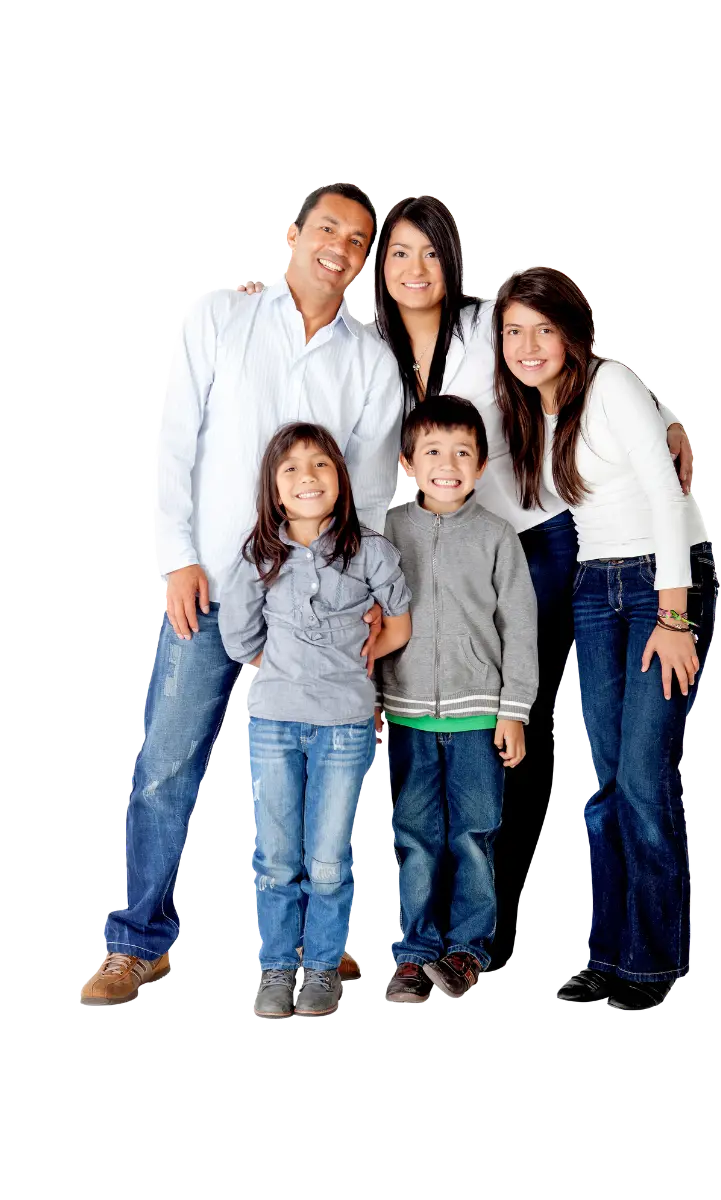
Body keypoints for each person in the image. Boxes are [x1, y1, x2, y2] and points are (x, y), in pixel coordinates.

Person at [237, 197, 695, 969]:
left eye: (431, 253)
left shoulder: (491, 327)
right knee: (428, 744)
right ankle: (429, 935)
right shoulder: (365, 344)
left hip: (534, 543)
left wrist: (671, 422)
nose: (415, 270)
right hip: (417, 547)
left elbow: (578, 363)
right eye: (398, 254)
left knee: (524, 729)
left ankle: (500, 932)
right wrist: (263, 297)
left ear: (453, 263)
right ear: (379, 270)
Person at [81, 183, 404, 1008]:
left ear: (364, 261)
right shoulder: (219, 316)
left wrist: (367, 596)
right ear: (293, 233)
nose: (340, 246)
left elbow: (368, 491)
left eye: (358, 239)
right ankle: (139, 944)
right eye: (327, 227)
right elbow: (173, 435)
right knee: (166, 769)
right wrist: (176, 556)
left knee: (323, 773)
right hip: (214, 590)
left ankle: (321, 948)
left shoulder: (368, 358)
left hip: (320, 614)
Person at [492, 266, 715, 1010]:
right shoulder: (535, 410)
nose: (527, 345)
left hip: (661, 583)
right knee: (610, 781)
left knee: (645, 783)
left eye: (542, 329)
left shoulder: (610, 382)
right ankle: (609, 956)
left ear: (572, 331)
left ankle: (649, 966)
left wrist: (675, 617)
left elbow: (662, 492)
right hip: (595, 589)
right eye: (512, 331)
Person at [219, 422, 411, 1017]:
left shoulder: (370, 551)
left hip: (345, 727)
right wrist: (272, 661)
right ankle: (276, 967)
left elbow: (399, 622)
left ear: (341, 478)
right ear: (275, 490)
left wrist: (350, 659)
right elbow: (237, 634)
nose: (307, 477)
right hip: (275, 722)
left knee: (328, 859)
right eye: (291, 469)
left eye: (321, 464)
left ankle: (322, 967)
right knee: (276, 857)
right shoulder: (259, 555)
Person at [379, 396, 538, 1003]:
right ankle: (416, 953)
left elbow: (519, 627)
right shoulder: (390, 529)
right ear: (408, 463)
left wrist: (513, 711)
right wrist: (371, 696)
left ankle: (467, 952)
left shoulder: (497, 537)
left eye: (463, 453)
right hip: (406, 711)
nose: (448, 465)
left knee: (473, 834)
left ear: (481, 464)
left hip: (479, 715)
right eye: (433, 453)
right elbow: (373, 616)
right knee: (416, 835)